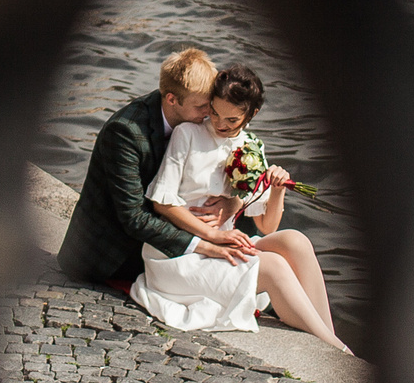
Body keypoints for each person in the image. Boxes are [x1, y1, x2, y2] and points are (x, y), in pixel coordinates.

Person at [129, 65, 349, 353]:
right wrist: (214, 235)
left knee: (295, 241)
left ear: (251, 114)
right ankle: (338, 349)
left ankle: (327, 335)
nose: (220, 123)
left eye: (232, 119)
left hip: (225, 244)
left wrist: (277, 190)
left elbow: (266, 227)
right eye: (216, 113)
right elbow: (162, 203)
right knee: (273, 266)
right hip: (182, 254)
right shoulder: (188, 135)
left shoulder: (251, 147)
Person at [57, 47, 221, 286]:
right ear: (172, 99)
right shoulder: (125, 132)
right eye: (201, 107)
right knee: (219, 269)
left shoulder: (194, 121)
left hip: (161, 230)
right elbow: (134, 218)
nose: (209, 115)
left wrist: (229, 203)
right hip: (111, 253)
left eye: (210, 106)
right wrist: (203, 244)